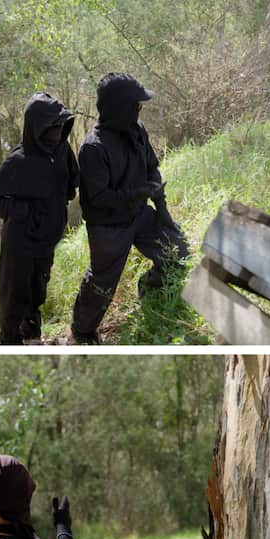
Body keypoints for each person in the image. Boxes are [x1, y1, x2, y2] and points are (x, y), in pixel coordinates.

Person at [70, 72, 189, 344]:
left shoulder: (137, 130)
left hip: (140, 214)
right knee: (102, 284)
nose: (139, 109)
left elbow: (152, 168)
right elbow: (99, 198)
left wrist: (161, 204)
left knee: (177, 252)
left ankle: (150, 291)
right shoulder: (93, 148)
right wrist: (139, 192)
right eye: (135, 105)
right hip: (108, 227)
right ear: (119, 108)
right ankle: (82, 331)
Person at [0, 92, 79, 345]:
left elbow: (71, 184)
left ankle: (31, 336)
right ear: (37, 128)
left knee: (37, 291)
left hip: (47, 239)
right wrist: (22, 211)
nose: (57, 131)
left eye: (60, 125)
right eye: (51, 126)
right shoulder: (19, 161)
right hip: (20, 241)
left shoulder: (62, 151)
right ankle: (9, 342)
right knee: (14, 295)